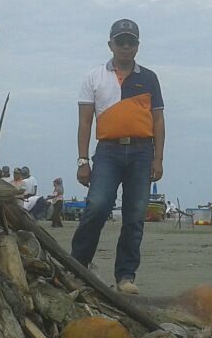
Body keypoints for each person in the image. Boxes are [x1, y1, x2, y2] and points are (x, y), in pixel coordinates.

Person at [71, 19, 165, 295]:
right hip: (108, 151)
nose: (125, 46)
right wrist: (82, 161)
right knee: (97, 206)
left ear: (137, 45)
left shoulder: (149, 77)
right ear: (110, 44)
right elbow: (85, 122)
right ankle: (77, 266)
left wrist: (158, 158)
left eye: (131, 41)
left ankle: (125, 276)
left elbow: (158, 120)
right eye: (120, 41)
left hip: (141, 150)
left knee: (135, 215)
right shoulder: (94, 77)